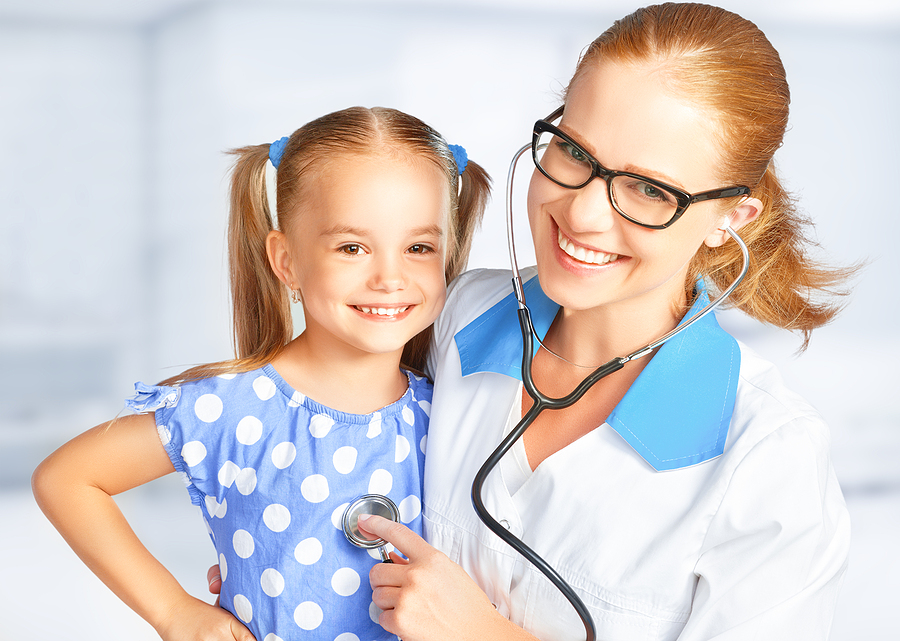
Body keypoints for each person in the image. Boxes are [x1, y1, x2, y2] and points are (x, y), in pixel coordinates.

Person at [350, 4, 855, 641]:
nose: (583, 214)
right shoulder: (454, 317)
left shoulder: (769, 461)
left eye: (650, 189)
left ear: (730, 219)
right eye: (573, 151)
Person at [31, 106, 490, 641]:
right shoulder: (229, 408)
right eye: (352, 247)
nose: (390, 277)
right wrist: (174, 611)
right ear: (286, 260)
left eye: (418, 248)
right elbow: (66, 480)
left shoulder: (452, 414)